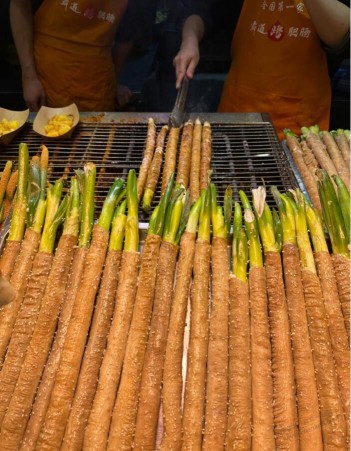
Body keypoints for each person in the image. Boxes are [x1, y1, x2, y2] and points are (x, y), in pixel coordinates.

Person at [174, 0, 350, 140]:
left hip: (298, 124)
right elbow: (203, 13)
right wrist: (189, 41)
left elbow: (341, 38)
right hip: (237, 114)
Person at [10, 0, 131, 111]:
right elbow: (19, 5)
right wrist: (29, 77)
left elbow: (127, 36)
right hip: (48, 77)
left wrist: (115, 82)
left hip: (98, 82)